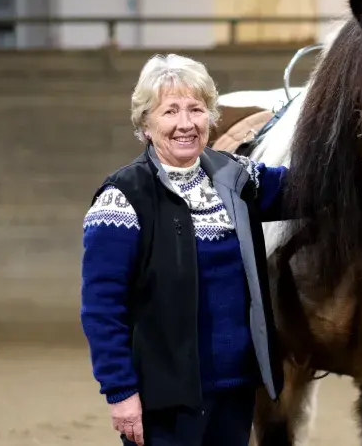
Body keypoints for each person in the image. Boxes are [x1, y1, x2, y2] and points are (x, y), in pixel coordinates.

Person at [80, 53, 291, 446]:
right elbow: (102, 309)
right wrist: (121, 392)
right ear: (145, 123)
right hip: (164, 401)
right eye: (170, 111)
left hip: (236, 391)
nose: (185, 123)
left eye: (196, 109)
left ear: (210, 118)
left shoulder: (237, 177)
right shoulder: (121, 199)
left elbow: (313, 191)